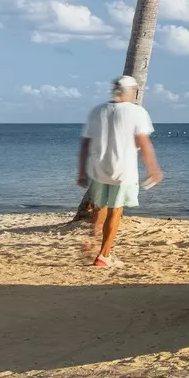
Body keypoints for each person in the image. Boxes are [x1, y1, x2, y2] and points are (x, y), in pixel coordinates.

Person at [76, 75, 163, 268]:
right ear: (131, 91)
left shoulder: (97, 111)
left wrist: (81, 171)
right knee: (115, 212)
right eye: (134, 91)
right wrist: (153, 169)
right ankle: (104, 255)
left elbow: (85, 144)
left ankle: (96, 240)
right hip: (122, 171)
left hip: (99, 169)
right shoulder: (136, 112)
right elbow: (143, 142)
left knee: (100, 208)